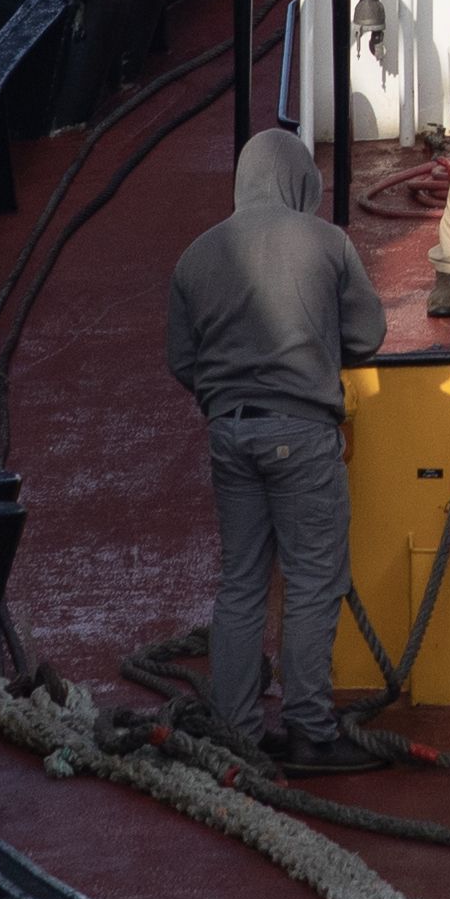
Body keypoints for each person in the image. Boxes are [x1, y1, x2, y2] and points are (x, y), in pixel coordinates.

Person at [160, 121, 389, 763]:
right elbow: (368, 333)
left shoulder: (196, 255)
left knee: (240, 583)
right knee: (314, 581)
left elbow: (182, 359)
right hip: (303, 435)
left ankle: (235, 731)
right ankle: (311, 733)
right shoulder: (327, 242)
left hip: (229, 435)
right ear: (298, 181)